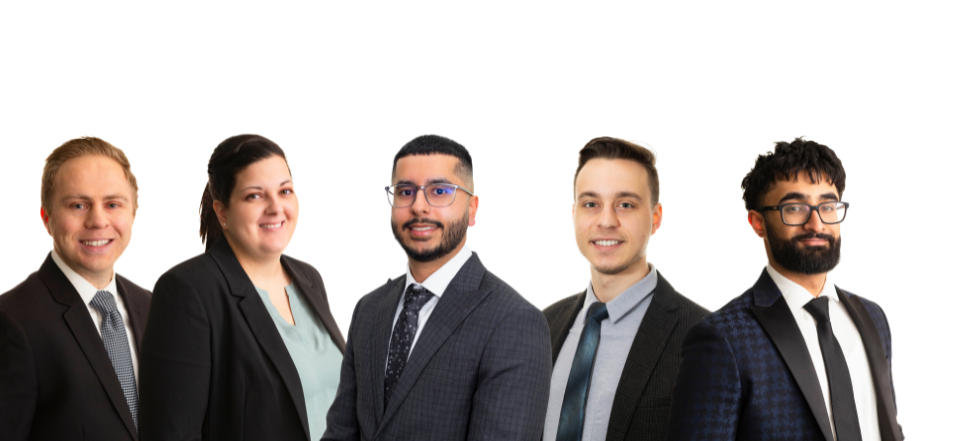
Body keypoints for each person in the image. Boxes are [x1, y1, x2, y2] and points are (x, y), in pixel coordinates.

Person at [669, 138, 904, 440]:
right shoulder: (723, 339)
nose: (816, 223)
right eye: (795, 208)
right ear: (758, 223)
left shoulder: (873, 317)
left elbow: (885, 426)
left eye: (827, 205)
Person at [323, 134, 550, 441]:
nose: (419, 206)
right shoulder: (369, 310)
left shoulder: (515, 322)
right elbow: (341, 433)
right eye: (405, 191)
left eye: (439, 191)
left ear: (472, 209)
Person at [138, 134, 346, 441]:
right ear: (222, 212)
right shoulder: (187, 292)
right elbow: (170, 433)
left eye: (285, 190)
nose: (276, 207)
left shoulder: (308, 279)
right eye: (255, 196)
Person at [0, 137, 152, 441]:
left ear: (132, 214)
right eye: (78, 205)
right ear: (47, 218)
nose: (98, 220)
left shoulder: (154, 308)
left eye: (113, 204)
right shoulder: (9, 323)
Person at [541, 137, 709, 441]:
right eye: (591, 204)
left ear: (655, 217)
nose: (606, 221)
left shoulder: (707, 339)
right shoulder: (543, 326)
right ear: (574, 214)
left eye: (625, 205)